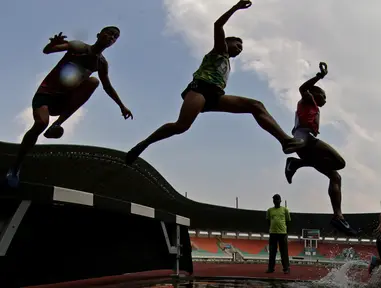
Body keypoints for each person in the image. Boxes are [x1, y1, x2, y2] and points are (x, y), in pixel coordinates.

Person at [124, 0, 305, 164]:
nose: (239, 48)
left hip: (216, 95)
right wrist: (236, 7)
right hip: (200, 90)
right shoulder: (220, 50)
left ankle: (285, 141)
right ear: (227, 42)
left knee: (256, 105)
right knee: (181, 126)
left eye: (242, 47)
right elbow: (217, 24)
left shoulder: (226, 62)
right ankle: (143, 144)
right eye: (237, 44)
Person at [6, 27, 133, 188]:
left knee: (94, 82)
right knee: (40, 124)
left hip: (63, 101)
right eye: (109, 33)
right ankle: (16, 166)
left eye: (115, 37)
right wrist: (54, 44)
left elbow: (107, 86)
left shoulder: (101, 63)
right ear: (99, 34)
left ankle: (58, 123)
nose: (111, 38)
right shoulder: (79, 47)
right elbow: (48, 51)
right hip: (46, 95)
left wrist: (121, 106)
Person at [283, 62, 357, 236]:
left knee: (335, 175)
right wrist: (319, 76)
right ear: (315, 93)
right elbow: (302, 88)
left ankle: (338, 216)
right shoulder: (308, 99)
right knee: (339, 162)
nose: (325, 99)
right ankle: (296, 162)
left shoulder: (313, 106)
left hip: (306, 142)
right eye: (323, 95)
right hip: (304, 137)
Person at [266, 194, 291, 274]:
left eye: (277, 199)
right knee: (272, 252)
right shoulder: (270, 210)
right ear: (273, 201)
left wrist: (286, 231)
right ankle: (270, 268)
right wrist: (270, 229)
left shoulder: (285, 210)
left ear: (280, 200)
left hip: (282, 233)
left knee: (284, 252)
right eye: (274, 199)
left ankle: (286, 269)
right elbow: (268, 221)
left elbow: (288, 221)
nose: (276, 201)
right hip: (273, 233)